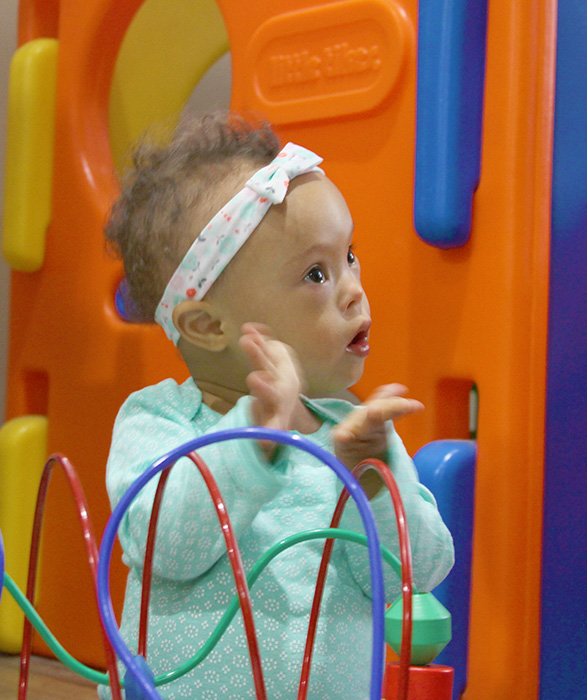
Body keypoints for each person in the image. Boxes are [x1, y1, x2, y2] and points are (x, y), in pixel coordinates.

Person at [101, 112, 454, 700]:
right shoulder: (160, 422)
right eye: (316, 273)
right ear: (208, 324)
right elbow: (168, 545)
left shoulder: (352, 433)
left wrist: (375, 480)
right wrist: (253, 440)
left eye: (351, 256)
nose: (353, 288)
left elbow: (407, 576)